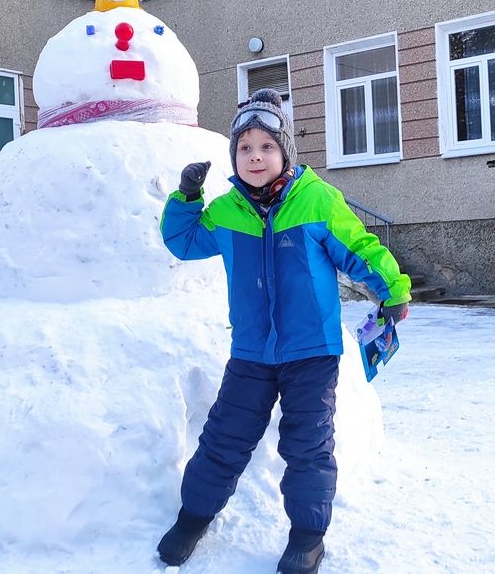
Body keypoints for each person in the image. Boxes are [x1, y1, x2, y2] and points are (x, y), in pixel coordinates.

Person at [156, 89, 412, 573]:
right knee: (224, 436)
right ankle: (193, 518)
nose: (255, 157)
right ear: (234, 155)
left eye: (266, 146)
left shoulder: (316, 200)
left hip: (311, 351)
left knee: (307, 444)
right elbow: (184, 243)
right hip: (252, 351)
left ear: (285, 151)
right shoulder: (227, 210)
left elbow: (358, 247)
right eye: (245, 148)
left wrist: (393, 288)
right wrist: (187, 197)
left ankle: (308, 536)